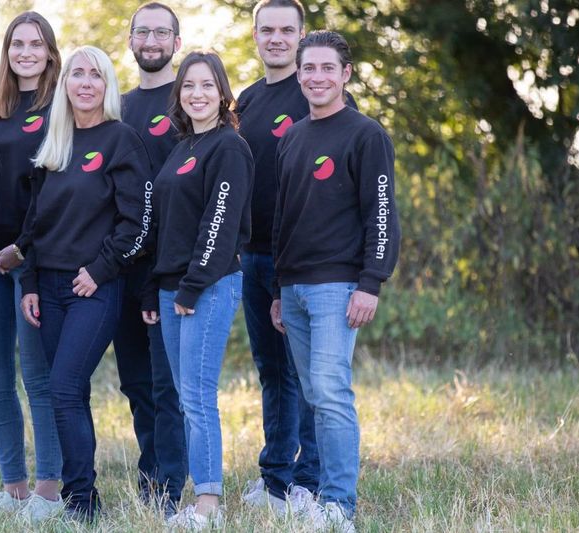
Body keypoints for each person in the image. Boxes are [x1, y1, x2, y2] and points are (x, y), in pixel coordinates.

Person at [272, 30, 400, 532]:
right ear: (299, 74)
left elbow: (383, 213)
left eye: (328, 68)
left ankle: (339, 505)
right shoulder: (293, 137)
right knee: (313, 392)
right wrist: (279, 290)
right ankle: (321, 493)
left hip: (339, 287)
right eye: (309, 68)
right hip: (295, 289)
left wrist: (371, 281)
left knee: (329, 391)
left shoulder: (366, 134)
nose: (317, 77)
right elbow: (283, 216)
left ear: (345, 73)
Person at [18, 45, 150, 522]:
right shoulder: (54, 141)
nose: (86, 82)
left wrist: (100, 269)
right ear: (66, 84)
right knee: (68, 393)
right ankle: (78, 495)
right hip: (47, 287)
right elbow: (34, 223)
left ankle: (82, 503)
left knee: (63, 385)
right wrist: (29, 280)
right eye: (78, 74)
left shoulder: (121, 140)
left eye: (96, 74)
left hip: (93, 286)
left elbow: (136, 222)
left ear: (107, 85)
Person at [236, 0, 357, 512]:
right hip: (256, 258)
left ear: (302, 36)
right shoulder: (245, 99)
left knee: (311, 378)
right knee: (272, 372)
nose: (277, 39)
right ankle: (276, 477)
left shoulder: (315, 94)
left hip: (312, 267)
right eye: (268, 30)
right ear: (257, 36)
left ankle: (309, 481)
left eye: (287, 30)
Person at [142, 51, 253, 530]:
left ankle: (208, 502)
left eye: (207, 85)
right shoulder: (182, 146)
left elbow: (220, 224)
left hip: (208, 286)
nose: (197, 94)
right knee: (182, 394)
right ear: (179, 94)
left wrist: (190, 287)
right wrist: (155, 290)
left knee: (197, 395)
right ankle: (198, 494)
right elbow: (164, 226)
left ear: (222, 92)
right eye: (189, 86)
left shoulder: (228, 147)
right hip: (172, 289)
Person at [0, 11, 64, 526]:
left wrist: (22, 251)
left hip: (35, 261)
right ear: (6, 52)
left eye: (36, 43)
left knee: (38, 375)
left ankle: (49, 490)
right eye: (16, 44)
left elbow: (55, 191)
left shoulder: (62, 106)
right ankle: (15, 488)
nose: (25, 52)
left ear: (50, 51)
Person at [116, 1, 186, 515]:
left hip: (169, 270)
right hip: (123, 268)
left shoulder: (190, 103)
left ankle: (171, 487)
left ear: (176, 44)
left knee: (169, 386)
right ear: (131, 40)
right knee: (136, 382)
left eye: (163, 33)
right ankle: (150, 475)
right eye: (144, 32)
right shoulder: (117, 108)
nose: (153, 41)